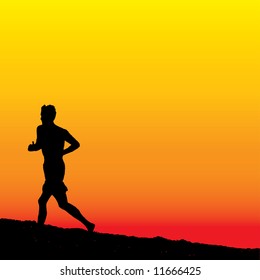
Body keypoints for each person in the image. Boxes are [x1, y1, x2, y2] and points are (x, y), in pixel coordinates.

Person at [28, 105, 95, 232]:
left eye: (43, 115)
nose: (41, 117)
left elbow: (76, 144)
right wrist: (32, 148)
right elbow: (39, 145)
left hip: (56, 168)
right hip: (48, 166)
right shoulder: (41, 129)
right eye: (41, 114)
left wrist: (62, 153)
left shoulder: (60, 131)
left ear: (50, 116)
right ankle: (88, 224)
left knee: (43, 200)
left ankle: (39, 228)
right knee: (61, 203)